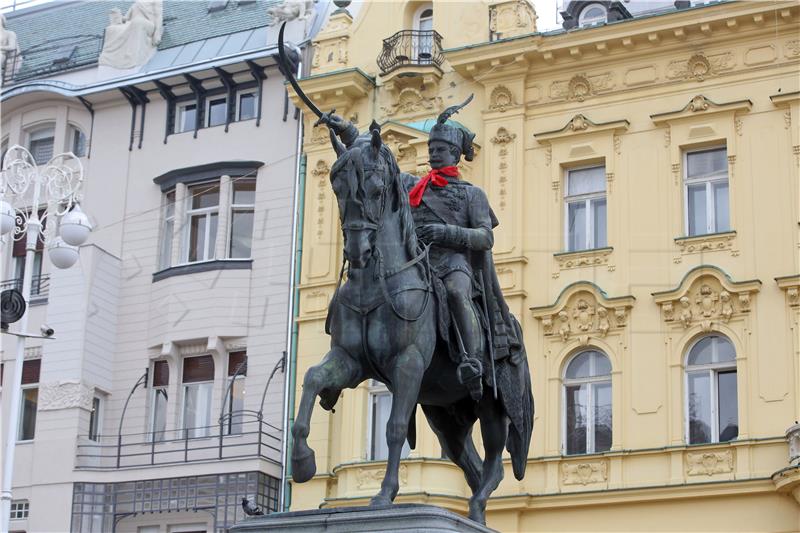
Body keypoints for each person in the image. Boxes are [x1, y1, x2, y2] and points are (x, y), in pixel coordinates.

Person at [319, 96, 522, 401]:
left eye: (440, 150)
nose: (434, 154)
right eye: (431, 149)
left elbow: (485, 237)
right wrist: (347, 131)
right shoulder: (412, 185)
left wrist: (446, 231)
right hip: (416, 262)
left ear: (455, 154)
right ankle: (345, 358)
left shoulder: (472, 194)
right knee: (354, 291)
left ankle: (472, 361)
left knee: (456, 292)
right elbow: (377, 161)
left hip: (453, 263)